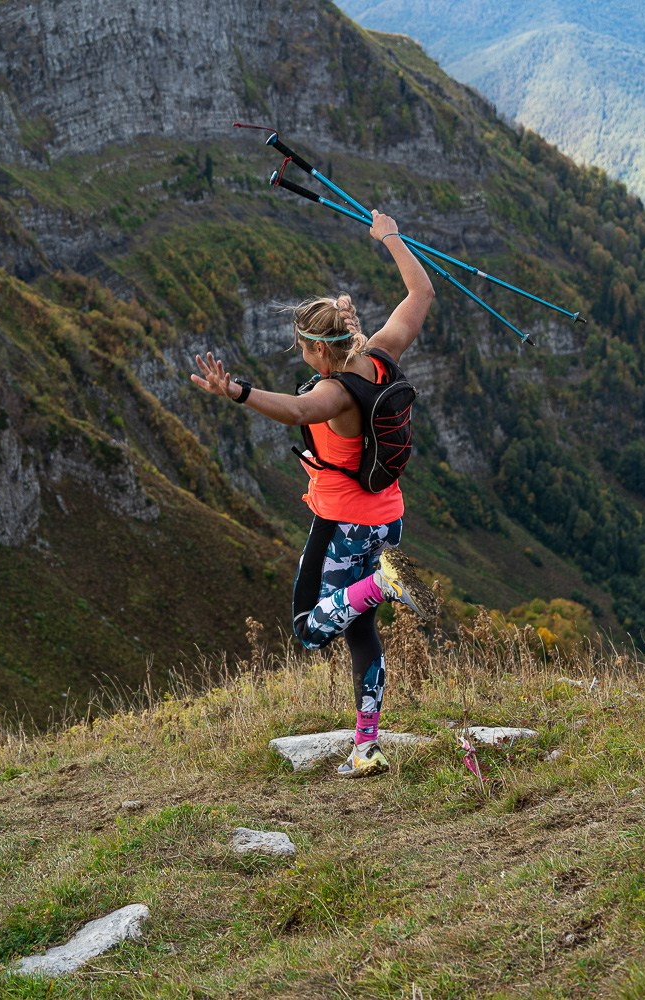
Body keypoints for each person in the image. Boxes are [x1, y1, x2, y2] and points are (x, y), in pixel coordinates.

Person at [191, 209, 437, 777]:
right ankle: (366, 746)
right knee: (359, 627)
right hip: (387, 517)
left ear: (319, 351)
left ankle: (385, 583)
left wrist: (236, 391)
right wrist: (390, 237)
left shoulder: (334, 394)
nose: (301, 355)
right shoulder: (382, 354)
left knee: (308, 627)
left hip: (343, 522)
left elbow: (298, 409)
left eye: (303, 348)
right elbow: (420, 292)